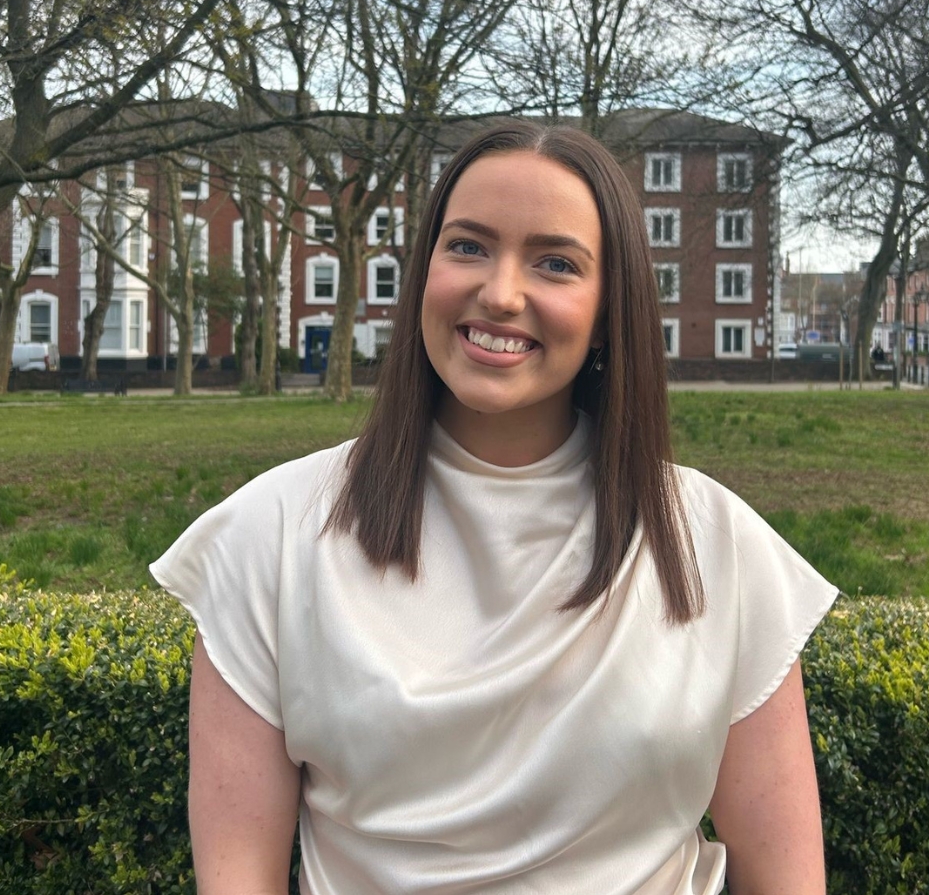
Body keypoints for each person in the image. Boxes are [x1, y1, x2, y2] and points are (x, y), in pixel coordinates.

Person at [150, 122, 839, 895]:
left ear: (610, 309)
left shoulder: (717, 547)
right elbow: (239, 876)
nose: (501, 293)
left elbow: (785, 879)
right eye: (469, 246)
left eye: (556, 263)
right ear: (424, 271)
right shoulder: (270, 534)